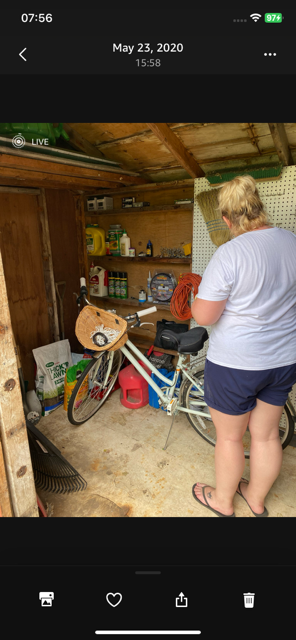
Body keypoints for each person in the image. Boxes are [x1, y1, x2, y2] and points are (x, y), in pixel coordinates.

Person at [191, 174, 296, 517]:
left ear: (226, 218)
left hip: (237, 364)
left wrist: (197, 296)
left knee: (231, 438)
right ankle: (255, 499)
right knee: (266, 436)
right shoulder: (292, 242)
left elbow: (205, 316)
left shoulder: (229, 254)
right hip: (283, 359)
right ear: (260, 207)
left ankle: (222, 502)